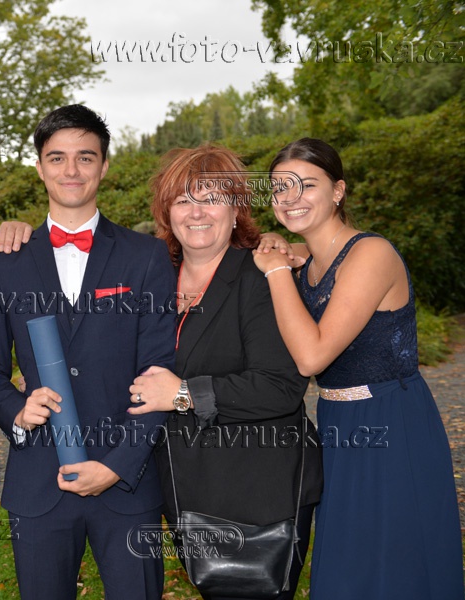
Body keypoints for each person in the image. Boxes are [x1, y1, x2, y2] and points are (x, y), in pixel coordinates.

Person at [0, 104, 176, 599]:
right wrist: (16, 411)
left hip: (127, 483)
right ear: (39, 167)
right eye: (57, 157)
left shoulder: (146, 256)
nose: (71, 170)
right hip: (38, 483)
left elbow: (162, 371)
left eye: (85, 157)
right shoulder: (6, 261)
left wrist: (118, 464)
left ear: (104, 166)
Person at [253, 138, 464, 599]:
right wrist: (279, 248)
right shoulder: (307, 260)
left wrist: (275, 271)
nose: (290, 198)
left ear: (338, 190)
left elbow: (312, 357)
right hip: (337, 422)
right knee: (348, 561)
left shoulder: (371, 254)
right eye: (280, 188)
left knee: (394, 563)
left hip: (391, 422)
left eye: (307, 185)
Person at [123, 144, 323, 600]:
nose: (196, 212)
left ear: (236, 210)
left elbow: (281, 386)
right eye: (183, 199)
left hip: (256, 493)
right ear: (166, 211)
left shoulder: (260, 276)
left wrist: (182, 394)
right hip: (184, 487)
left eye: (211, 198)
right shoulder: (155, 277)